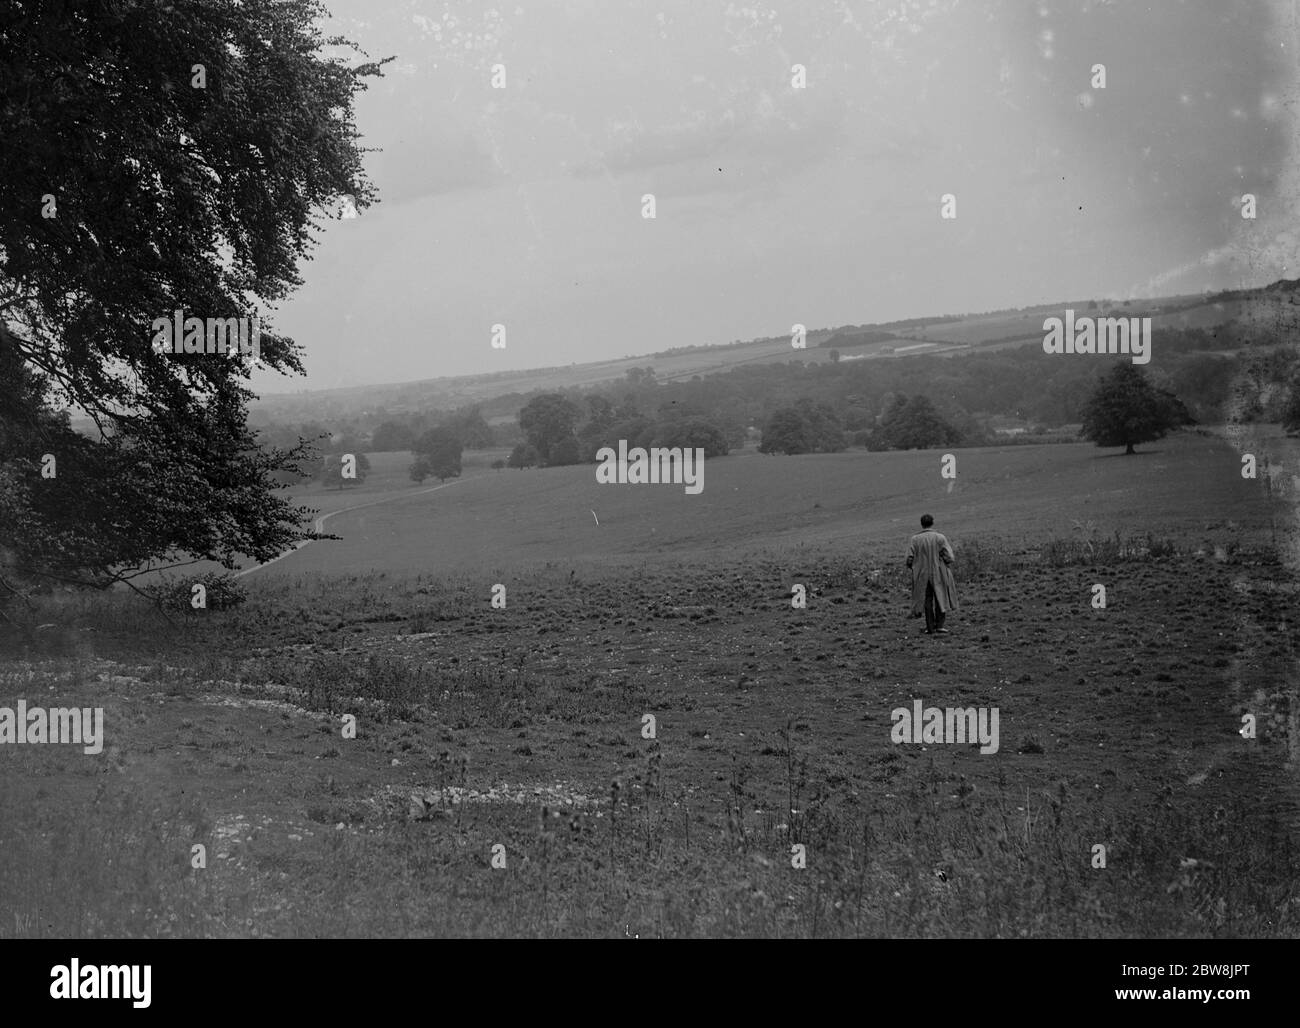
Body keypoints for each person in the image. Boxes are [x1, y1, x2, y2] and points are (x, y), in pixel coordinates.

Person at [906, 513, 958, 635]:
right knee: (941, 597)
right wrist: (945, 562)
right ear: (932, 523)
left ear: (921, 524)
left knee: (927, 600)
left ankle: (930, 628)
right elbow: (950, 557)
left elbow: (909, 558)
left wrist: (913, 568)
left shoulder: (915, 539)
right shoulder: (940, 537)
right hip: (939, 571)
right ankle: (940, 625)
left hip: (921, 574)